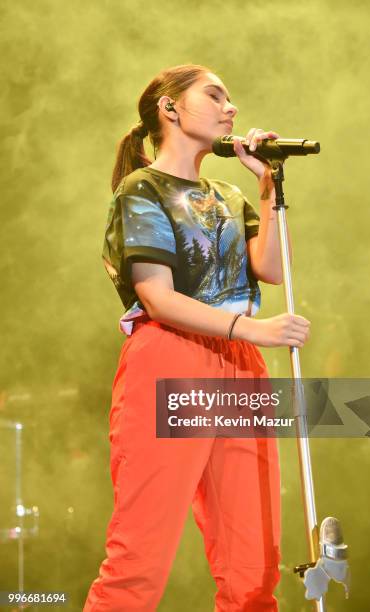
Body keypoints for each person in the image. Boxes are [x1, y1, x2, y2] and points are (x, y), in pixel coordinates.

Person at [83, 63, 311, 612]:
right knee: (140, 557)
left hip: (240, 363)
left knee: (254, 563)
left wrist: (266, 184)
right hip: (170, 356)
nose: (231, 107)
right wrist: (253, 327)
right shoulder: (142, 190)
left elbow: (272, 270)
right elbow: (157, 296)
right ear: (169, 108)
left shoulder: (228, 191)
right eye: (215, 95)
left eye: (231, 98)